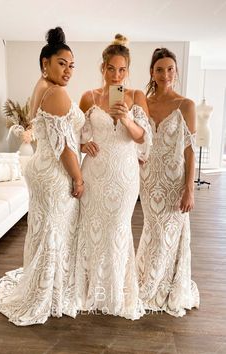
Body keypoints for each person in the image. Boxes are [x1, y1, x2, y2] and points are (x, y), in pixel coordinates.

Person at [0, 27, 85, 326]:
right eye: (62, 63)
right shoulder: (56, 92)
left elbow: (57, 136)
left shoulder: (41, 86)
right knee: (54, 231)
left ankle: (42, 283)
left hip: (40, 167)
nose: (68, 70)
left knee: (45, 230)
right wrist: (79, 179)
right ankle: (47, 292)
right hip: (55, 173)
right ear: (45, 62)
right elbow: (64, 148)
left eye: (72, 65)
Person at [75, 34, 152, 320]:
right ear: (103, 68)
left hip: (123, 178)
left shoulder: (135, 97)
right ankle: (90, 290)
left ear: (128, 70)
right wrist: (83, 145)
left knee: (117, 230)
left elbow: (144, 139)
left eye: (122, 70)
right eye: (111, 69)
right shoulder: (89, 97)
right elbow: (72, 137)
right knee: (92, 230)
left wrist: (127, 119)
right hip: (94, 174)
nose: (116, 75)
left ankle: (115, 293)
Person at [136, 48, 199, 317]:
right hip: (149, 180)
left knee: (168, 234)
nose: (165, 74)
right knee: (152, 231)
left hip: (173, 182)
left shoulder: (186, 105)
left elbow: (190, 150)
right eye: (159, 69)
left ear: (176, 71)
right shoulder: (143, 103)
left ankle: (163, 286)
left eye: (170, 68)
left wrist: (189, 188)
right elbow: (137, 138)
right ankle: (145, 279)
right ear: (152, 72)